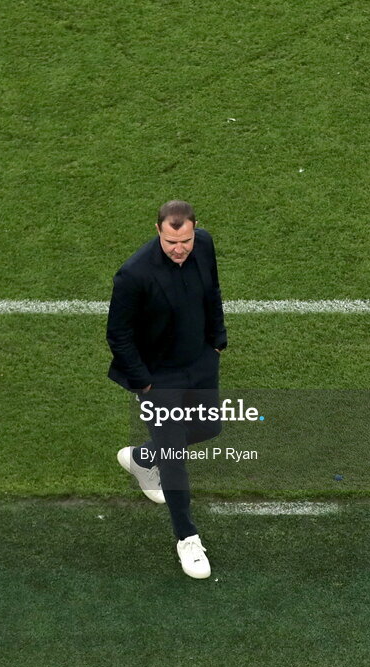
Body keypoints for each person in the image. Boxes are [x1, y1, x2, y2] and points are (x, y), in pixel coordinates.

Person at [106, 199, 227, 579]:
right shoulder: (133, 275)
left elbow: (212, 292)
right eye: (172, 241)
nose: (180, 249)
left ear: (195, 231)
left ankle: (142, 458)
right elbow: (118, 335)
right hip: (160, 378)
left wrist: (217, 339)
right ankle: (187, 538)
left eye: (186, 241)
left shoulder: (204, 245)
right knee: (173, 453)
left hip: (200, 362)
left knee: (211, 427)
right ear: (158, 230)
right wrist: (144, 382)